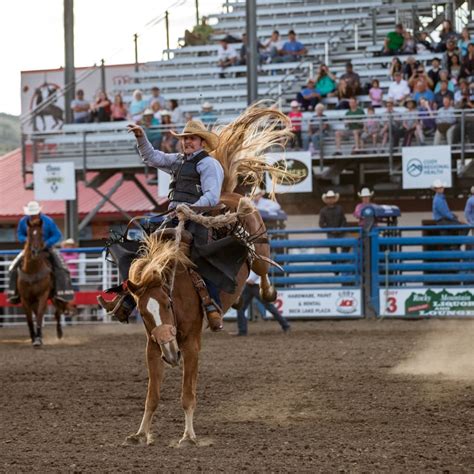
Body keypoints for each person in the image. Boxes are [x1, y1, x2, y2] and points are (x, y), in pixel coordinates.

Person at [124, 120, 225, 330]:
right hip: (173, 217)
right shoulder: (178, 161)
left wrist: (189, 209)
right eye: (185, 138)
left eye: (192, 138)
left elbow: (212, 197)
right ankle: (126, 299)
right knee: (147, 251)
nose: (187, 142)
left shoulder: (208, 164)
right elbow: (152, 157)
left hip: (196, 219)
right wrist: (141, 137)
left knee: (202, 255)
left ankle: (212, 304)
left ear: (201, 142)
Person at [8, 201, 74, 304]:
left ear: (38, 212)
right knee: (13, 267)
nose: (33, 215)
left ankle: (61, 293)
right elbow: (20, 234)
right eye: (31, 214)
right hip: (29, 249)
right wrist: (26, 240)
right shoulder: (23, 221)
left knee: (61, 267)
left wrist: (47, 243)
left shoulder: (48, 221)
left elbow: (57, 234)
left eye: (34, 213)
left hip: (46, 248)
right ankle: (14, 293)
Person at [234, 271, 290, 336]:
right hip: (250, 285)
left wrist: (252, 279)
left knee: (269, 307)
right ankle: (242, 331)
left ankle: (286, 325)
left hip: (259, 285)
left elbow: (261, 268)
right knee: (240, 307)